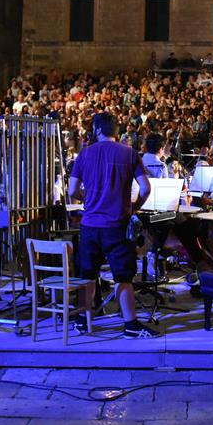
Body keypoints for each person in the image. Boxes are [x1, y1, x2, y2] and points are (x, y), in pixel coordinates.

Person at [68, 112, 160, 339]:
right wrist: (134, 206)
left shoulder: (85, 154)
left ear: (97, 130)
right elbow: (146, 188)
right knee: (123, 277)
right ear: (116, 131)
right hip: (117, 226)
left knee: (88, 274)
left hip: (90, 225)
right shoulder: (129, 153)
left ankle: (82, 320)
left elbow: (71, 191)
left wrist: (87, 199)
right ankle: (130, 325)